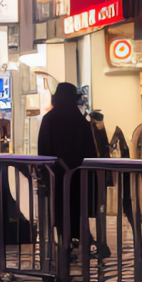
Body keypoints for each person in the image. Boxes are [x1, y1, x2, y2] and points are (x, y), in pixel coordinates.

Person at [36, 83, 103, 258]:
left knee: (58, 207)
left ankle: (61, 240)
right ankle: (76, 238)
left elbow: (43, 148)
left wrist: (43, 172)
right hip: (79, 174)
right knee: (77, 207)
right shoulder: (80, 120)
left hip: (56, 174)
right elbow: (90, 150)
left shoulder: (49, 119)